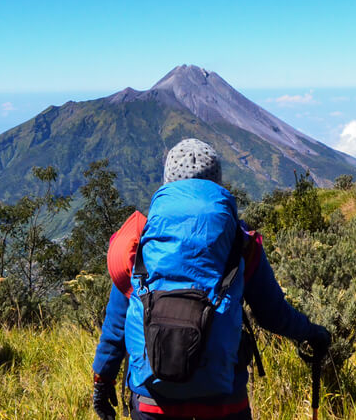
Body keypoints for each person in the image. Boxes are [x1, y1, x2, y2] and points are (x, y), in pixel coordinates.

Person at [91, 138, 331, 420]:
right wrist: (312, 333)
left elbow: (116, 326)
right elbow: (273, 314)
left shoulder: (139, 241)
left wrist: (102, 382)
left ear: (167, 182)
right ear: (217, 183)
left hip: (152, 401)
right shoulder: (241, 243)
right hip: (224, 402)